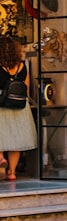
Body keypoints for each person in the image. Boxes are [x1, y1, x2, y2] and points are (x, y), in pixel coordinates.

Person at [0, 36, 37, 180]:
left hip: (2, 102)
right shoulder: (22, 65)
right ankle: (12, 172)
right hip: (19, 105)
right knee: (16, 139)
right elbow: (26, 87)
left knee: (2, 134)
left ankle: (1, 157)